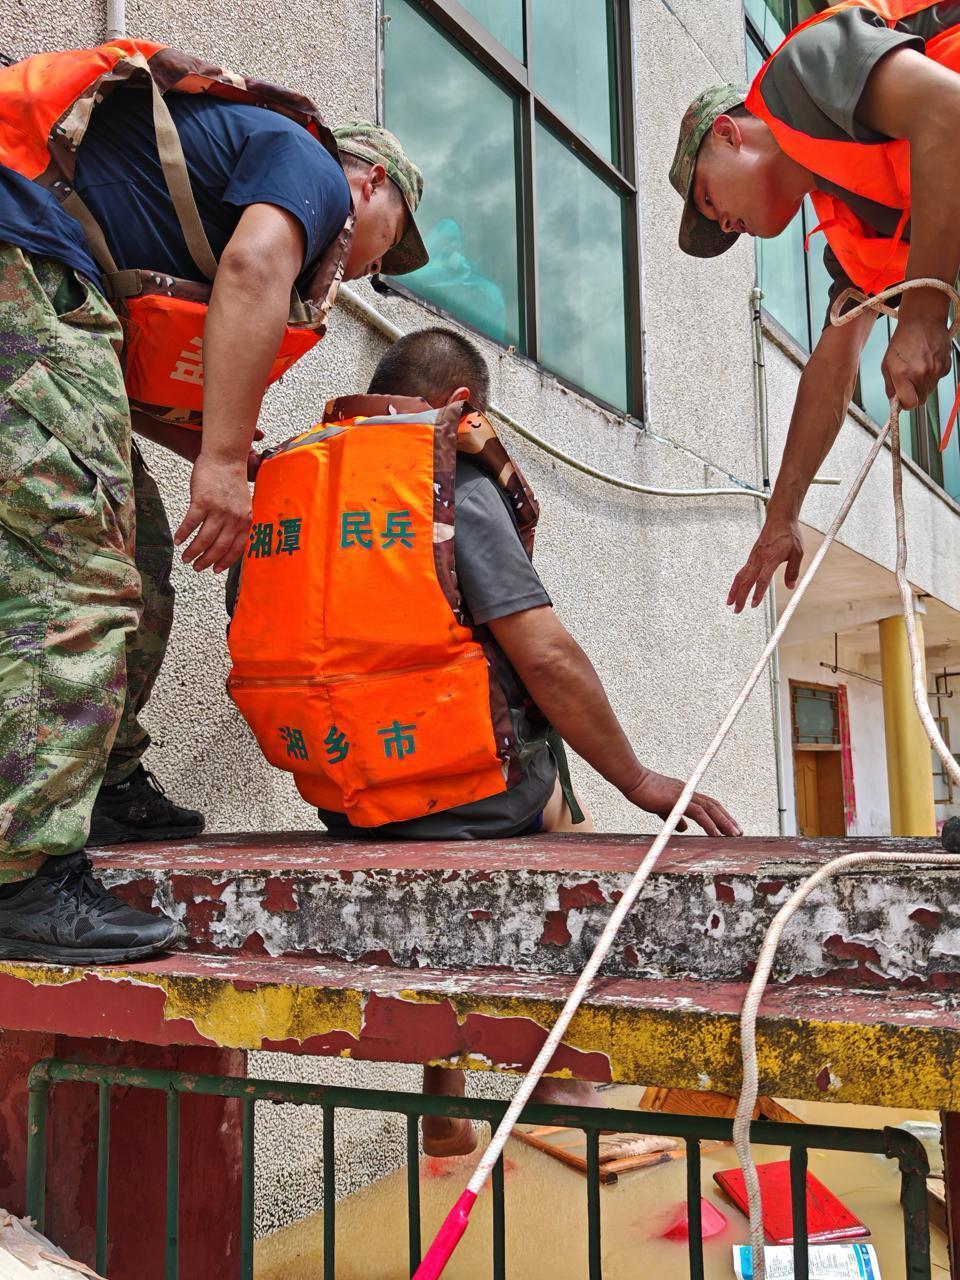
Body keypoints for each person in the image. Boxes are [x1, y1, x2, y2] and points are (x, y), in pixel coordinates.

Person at [227, 326, 742, 1153]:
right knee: (552, 776)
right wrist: (639, 779)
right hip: (470, 803)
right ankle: (578, 1086)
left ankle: (445, 1115)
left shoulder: (293, 486)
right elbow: (547, 654)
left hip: (349, 804)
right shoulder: (449, 487)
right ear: (461, 406)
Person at [0, 41, 427, 964]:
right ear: (372, 187)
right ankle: (21, 877)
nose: (365, 268)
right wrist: (226, 462)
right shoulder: (309, 164)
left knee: (136, 542)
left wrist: (225, 456)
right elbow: (252, 272)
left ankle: (103, 781)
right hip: (17, 262)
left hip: (37, 284)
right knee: (80, 570)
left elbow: (117, 398)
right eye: (393, 235)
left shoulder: (149, 204)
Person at [669, 1, 960, 612]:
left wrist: (925, 311)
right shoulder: (848, 219)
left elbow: (948, 110)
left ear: (728, 133)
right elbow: (832, 369)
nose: (723, 221)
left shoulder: (801, 72)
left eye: (707, 196)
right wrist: (783, 515)